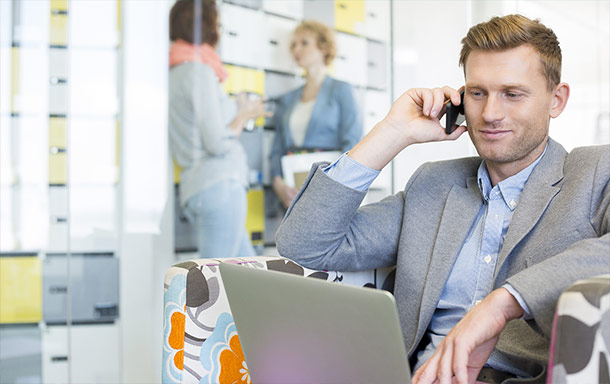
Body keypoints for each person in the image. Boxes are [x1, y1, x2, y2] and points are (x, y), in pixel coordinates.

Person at [276, 14, 609, 383]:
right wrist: (392, 132)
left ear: (556, 100)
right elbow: (305, 243)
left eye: (512, 94)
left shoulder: (593, 173)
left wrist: (505, 302)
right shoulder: (434, 185)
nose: (490, 114)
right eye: (477, 94)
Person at [168, 0, 268, 259]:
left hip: (203, 186)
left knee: (246, 274)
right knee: (213, 281)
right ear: (206, 26)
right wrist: (243, 116)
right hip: (218, 185)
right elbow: (217, 142)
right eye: (218, 24)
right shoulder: (198, 72)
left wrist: (235, 109)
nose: (220, 31)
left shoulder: (179, 70)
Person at [270, 20, 362, 208]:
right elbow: (277, 147)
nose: (296, 49)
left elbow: (352, 143)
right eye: (294, 44)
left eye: (304, 43)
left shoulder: (341, 90)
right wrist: (277, 183)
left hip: (331, 186)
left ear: (324, 48)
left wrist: (335, 185)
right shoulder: (288, 99)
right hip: (293, 189)